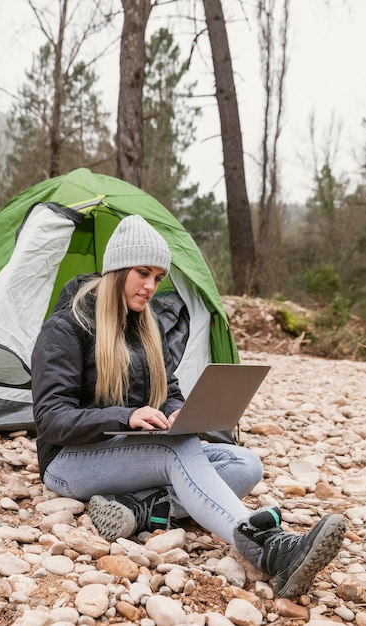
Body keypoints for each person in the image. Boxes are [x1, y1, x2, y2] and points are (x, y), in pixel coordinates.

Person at [31, 214, 346, 600]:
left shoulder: (146, 328)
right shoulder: (67, 327)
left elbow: (169, 391)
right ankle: (267, 549)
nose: (150, 287)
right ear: (116, 270)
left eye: (159, 278)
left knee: (245, 464)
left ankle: (142, 508)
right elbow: (49, 419)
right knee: (175, 449)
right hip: (69, 461)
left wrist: (179, 411)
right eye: (142, 273)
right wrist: (126, 415)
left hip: (126, 452)